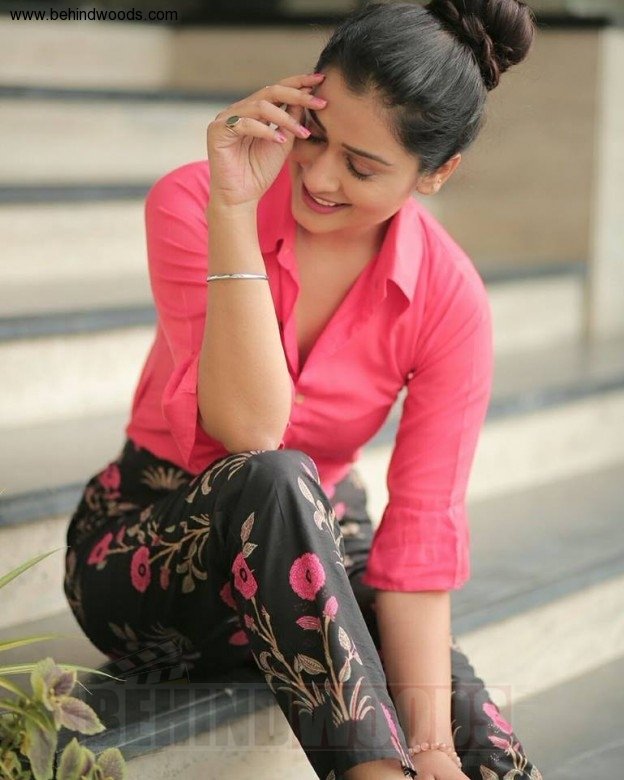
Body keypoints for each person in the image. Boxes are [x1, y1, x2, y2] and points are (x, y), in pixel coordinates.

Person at [63, 1, 543, 778]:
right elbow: (251, 433)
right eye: (314, 134)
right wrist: (233, 208)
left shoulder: (450, 298)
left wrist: (433, 750)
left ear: (436, 173)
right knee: (276, 475)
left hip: (323, 558)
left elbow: (419, 540)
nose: (318, 176)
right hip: (155, 553)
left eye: (362, 166)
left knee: (471, 736)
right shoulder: (195, 200)